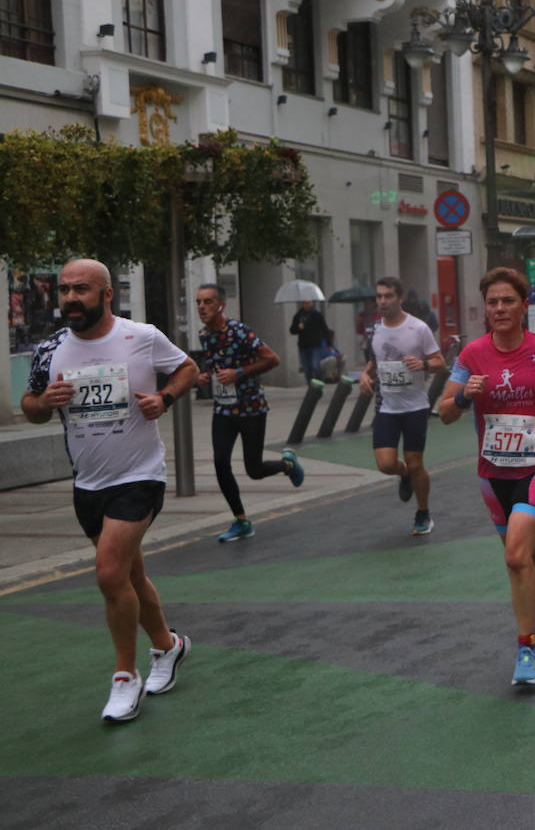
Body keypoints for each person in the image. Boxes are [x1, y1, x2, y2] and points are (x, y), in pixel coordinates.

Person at [22, 259, 198, 722]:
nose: (70, 298)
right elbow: (31, 405)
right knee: (129, 576)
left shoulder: (140, 336)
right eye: (64, 290)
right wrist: (45, 401)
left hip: (139, 475)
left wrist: (165, 398)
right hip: (88, 483)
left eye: (81, 289)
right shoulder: (51, 348)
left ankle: (125, 676)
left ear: (105, 295)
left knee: (107, 573)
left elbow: (187, 368)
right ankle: (168, 645)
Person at [438, 267, 535, 686]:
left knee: (515, 555)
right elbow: (444, 412)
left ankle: (526, 647)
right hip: (492, 471)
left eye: (508, 301)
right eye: (493, 302)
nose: (500, 308)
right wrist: (464, 395)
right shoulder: (472, 355)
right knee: (524, 559)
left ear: (523, 306)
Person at [195, 284, 305, 542]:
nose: (201, 307)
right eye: (198, 302)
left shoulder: (239, 331)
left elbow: (272, 359)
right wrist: (204, 377)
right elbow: (215, 368)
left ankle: (287, 464)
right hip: (223, 409)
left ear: (221, 305)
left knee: (253, 469)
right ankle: (241, 521)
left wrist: (239, 373)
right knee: (220, 462)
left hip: (251, 408)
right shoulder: (204, 335)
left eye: (208, 302)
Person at [360, 276, 444, 535]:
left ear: (399, 298)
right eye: (379, 296)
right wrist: (364, 375)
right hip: (387, 406)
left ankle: (423, 511)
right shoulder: (373, 330)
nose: (382, 301)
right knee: (385, 464)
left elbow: (440, 361)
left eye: (388, 296)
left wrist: (424, 365)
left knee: (416, 462)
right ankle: (404, 474)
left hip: (415, 406)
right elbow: (373, 361)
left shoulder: (418, 328)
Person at [289, 300, 329, 382]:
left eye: (308, 303)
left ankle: (319, 382)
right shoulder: (298, 315)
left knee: (315, 366)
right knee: (306, 368)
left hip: (315, 344)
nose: (306, 305)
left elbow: (324, 329)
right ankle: (310, 385)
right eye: (304, 303)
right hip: (303, 345)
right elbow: (292, 330)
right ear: (301, 304)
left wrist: (329, 344)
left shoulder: (317, 315)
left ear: (312, 303)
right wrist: (298, 328)